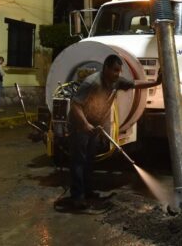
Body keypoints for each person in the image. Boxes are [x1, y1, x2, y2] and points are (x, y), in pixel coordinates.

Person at [68, 54, 162, 209]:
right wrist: (84, 124)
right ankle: (77, 197)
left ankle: (88, 191)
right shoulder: (92, 83)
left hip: (93, 125)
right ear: (106, 68)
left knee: (89, 159)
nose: (118, 74)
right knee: (79, 161)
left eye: (119, 71)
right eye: (115, 70)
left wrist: (156, 83)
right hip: (79, 125)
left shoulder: (116, 82)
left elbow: (135, 84)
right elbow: (75, 106)